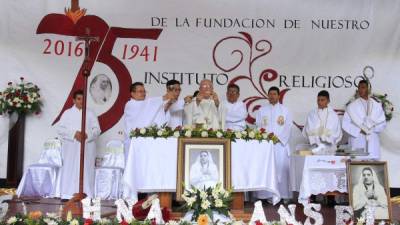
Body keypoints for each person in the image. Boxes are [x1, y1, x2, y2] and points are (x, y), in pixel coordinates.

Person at [56, 90, 101, 199]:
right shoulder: (67, 113)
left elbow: (97, 130)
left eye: (83, 99)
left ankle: (86, 193)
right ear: (74, 100)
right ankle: (68, 193)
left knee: (86, 168)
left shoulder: (90, 113)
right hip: (71, 146)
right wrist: (74, 133)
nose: (81, 101)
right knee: (70, 168)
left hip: (87, 146)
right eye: (79, 99)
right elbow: (60, 129)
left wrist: (87, 135)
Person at [255, 86, 292, 200]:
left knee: (280, 169)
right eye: (270, 94)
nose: (272, 96)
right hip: (266, 146)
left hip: (280, 145)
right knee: (266, 169)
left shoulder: (285, 110)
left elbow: (288, 127)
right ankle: (266, 196)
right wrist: (266, 137)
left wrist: (278, 138)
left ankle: (283, 195)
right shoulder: (262, 110)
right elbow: (258, 126)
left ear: (279, 96)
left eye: (274, 94)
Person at [123, 82, 175, 156]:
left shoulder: (145, 105)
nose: (143, 93)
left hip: (146, 141)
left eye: (144, 91)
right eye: (140, 91)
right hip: (133, 142)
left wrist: (169, 103)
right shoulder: (130, 104)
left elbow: (156, 113)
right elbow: (150, 106)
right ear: (132, 93)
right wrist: (165, 97)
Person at [342, 80, 386, 159]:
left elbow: (382, 123)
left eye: (363, 87)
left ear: (368, 89)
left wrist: (372, 128)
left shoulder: (376, 105)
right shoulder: (351, 106)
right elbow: (345, 124)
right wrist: (359, 130)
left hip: (372, 139)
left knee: (373, 166)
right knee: (356, 165)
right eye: (359, 88)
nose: (360, 90)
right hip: (358, 140)